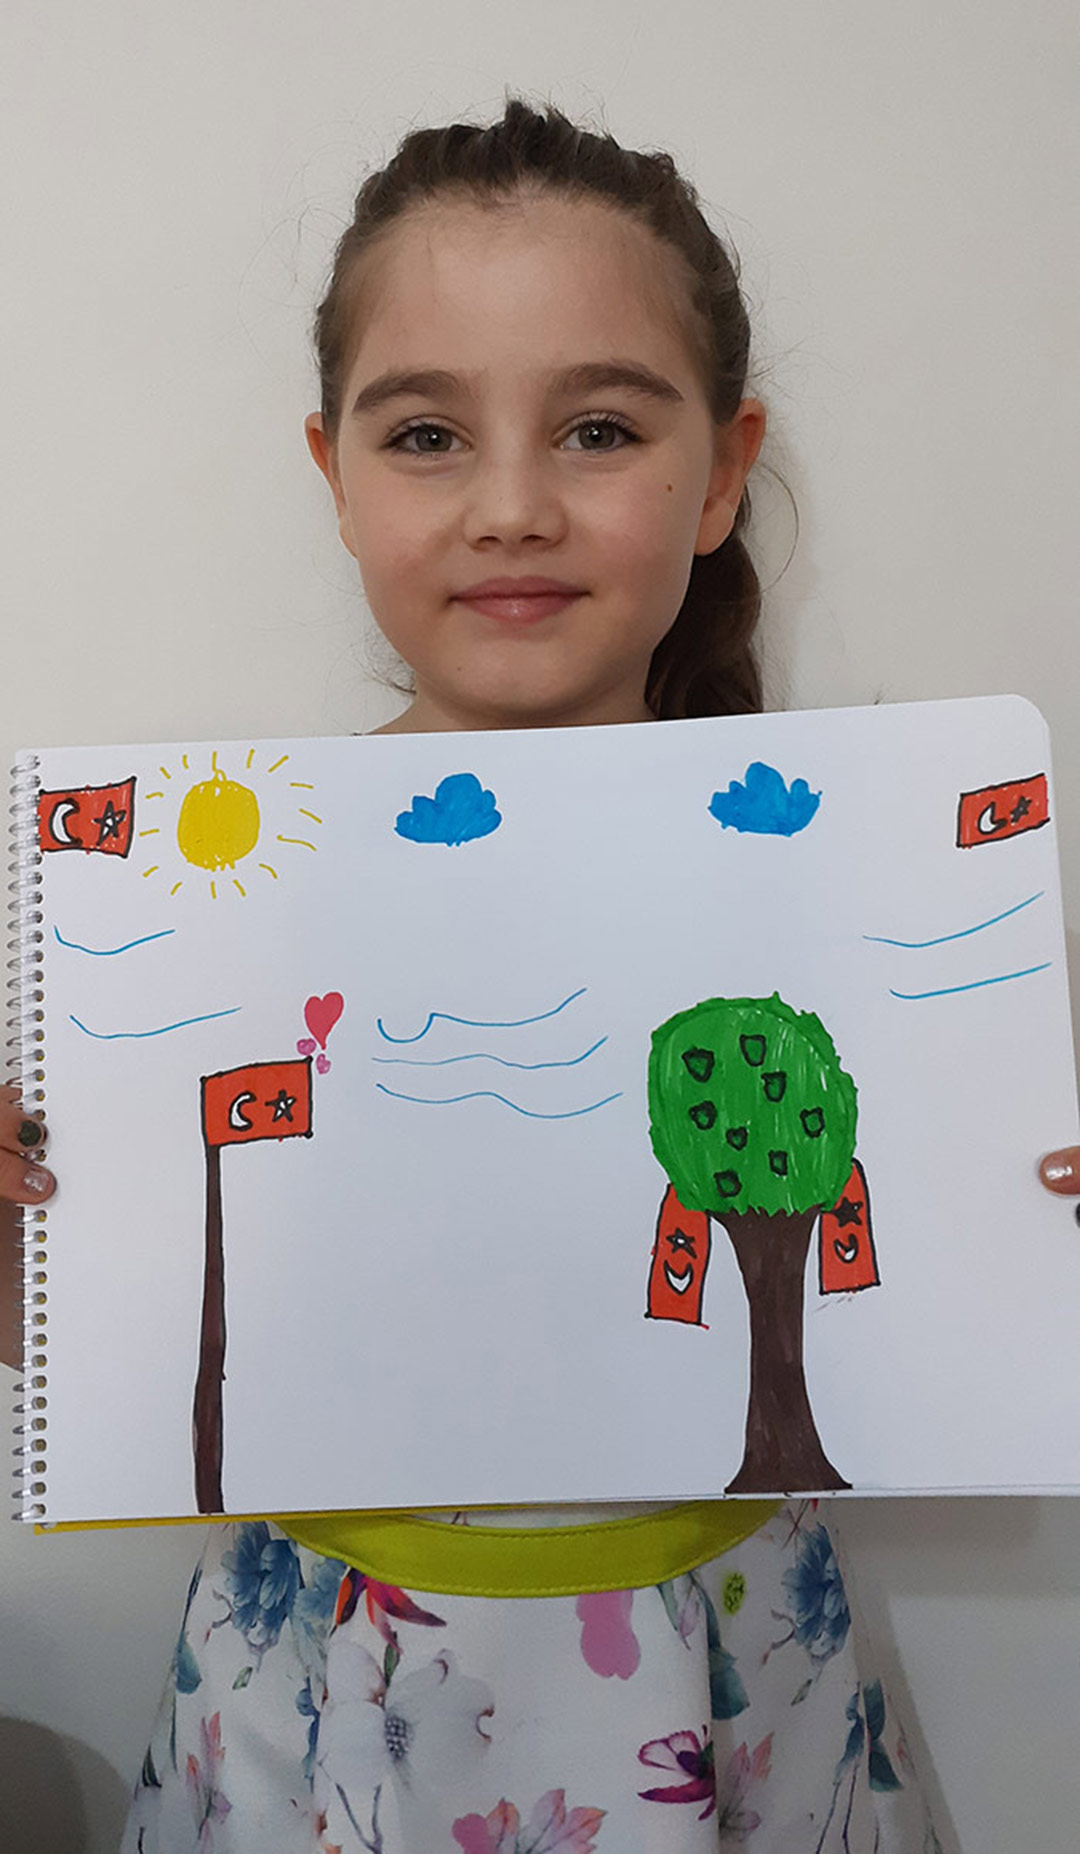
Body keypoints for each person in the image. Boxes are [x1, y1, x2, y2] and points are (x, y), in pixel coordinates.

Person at [1, 94, 1078, 1853]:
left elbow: (957, 1281)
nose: (511, 507)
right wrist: (31, 1257)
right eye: (426, 433)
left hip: (726, 1653)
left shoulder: (863, 886)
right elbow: (117, 1352)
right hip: (318, 1668)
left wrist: (1027, 1222)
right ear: (333, 473)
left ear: (720, 473)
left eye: (598, 428)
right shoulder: (208, 906)